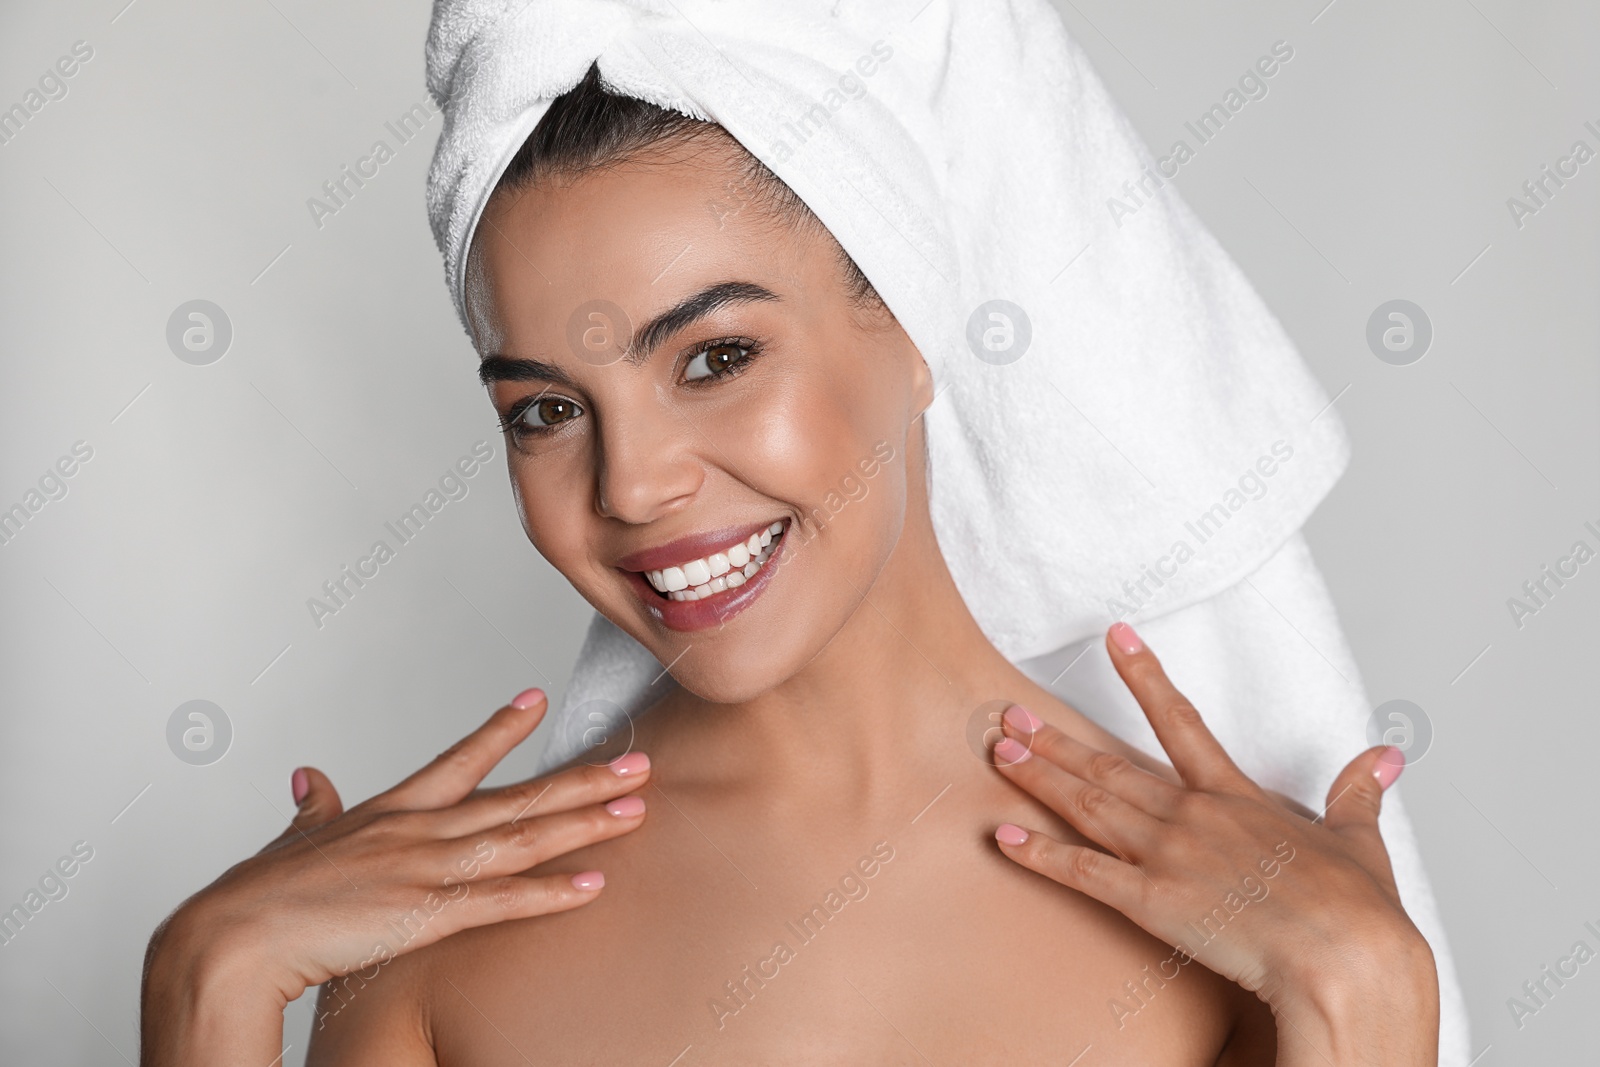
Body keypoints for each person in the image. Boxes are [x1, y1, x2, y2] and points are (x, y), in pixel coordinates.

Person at [140, 63, 1441, 1065]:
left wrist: (1370, 1001)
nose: (634, 483)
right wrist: (210, 986)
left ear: (914, 319)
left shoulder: (1244, 939)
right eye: (544, 409)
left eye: (714, 356)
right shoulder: (434, 955)